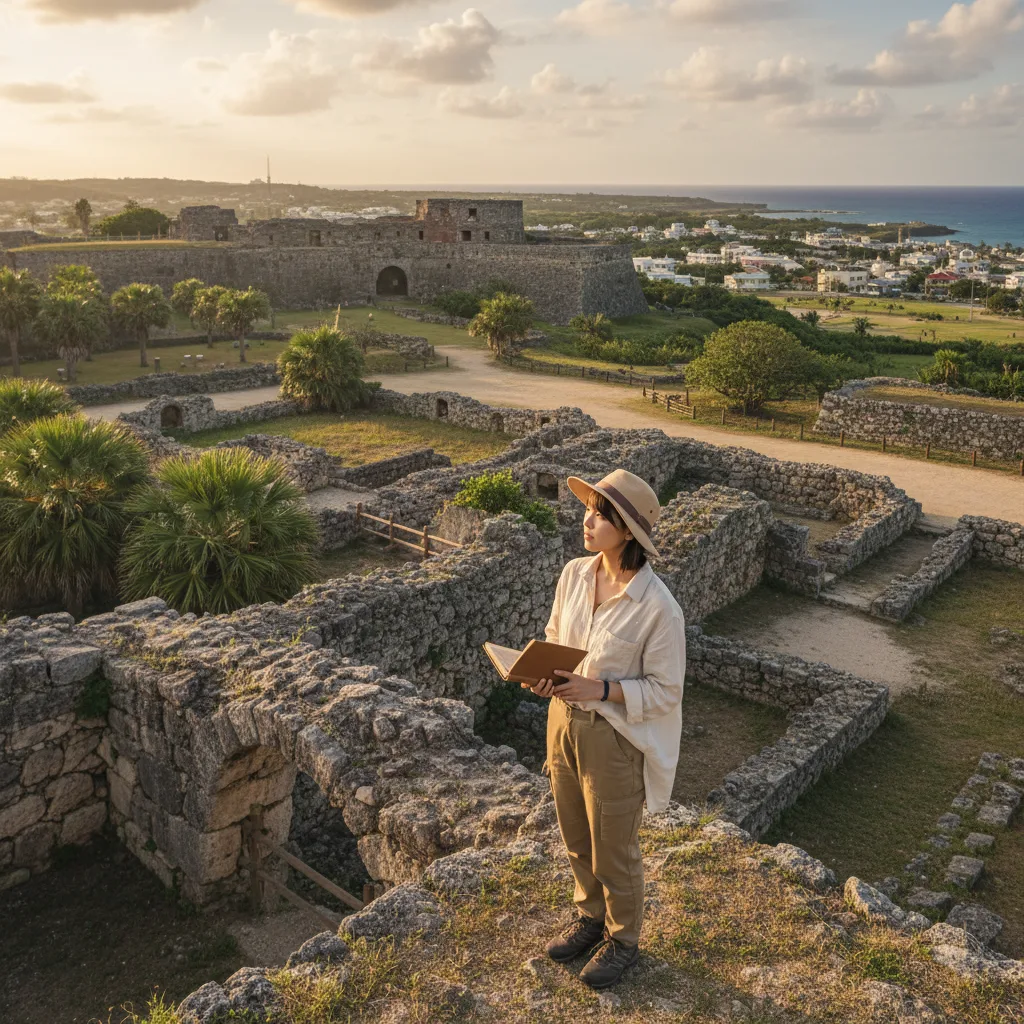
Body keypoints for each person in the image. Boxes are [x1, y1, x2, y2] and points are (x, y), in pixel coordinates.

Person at [523, 468, 686, 990]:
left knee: (613, 845)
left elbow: (667, 691)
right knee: (574, 833)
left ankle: (624, 940)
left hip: (613, 737)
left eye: (599, 514)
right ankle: (590, 917)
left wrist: (603, 690)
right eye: (589, 509)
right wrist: (543, 676)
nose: (586, 520)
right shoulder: (574, 574)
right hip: (561, 722)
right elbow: (556, 635)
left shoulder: (658, 608)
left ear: (627, 531)